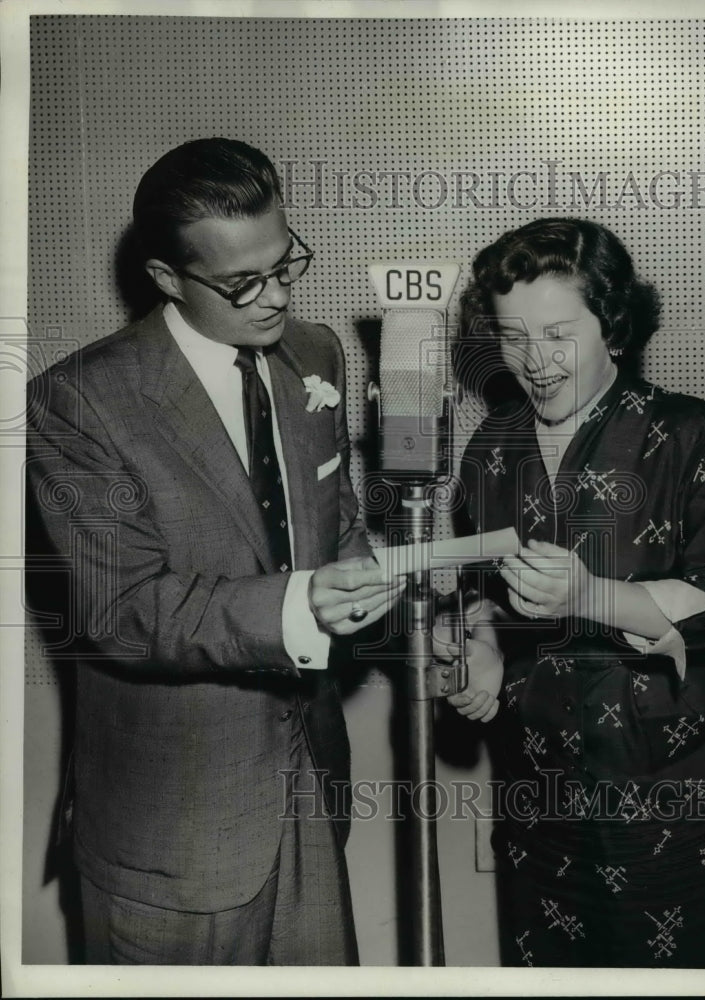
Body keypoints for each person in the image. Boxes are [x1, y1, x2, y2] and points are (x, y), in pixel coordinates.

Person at [26, 137, 404, 966]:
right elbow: (124, 611)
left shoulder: (315, 354)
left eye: (285, 264)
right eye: (242, 283)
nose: (277, 298)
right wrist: (298, 604)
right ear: (167, 278)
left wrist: (394, 606)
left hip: (312, 785)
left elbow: (335, 521)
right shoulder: (78, 402)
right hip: (173, 829)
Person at [437, 218, 705, 967]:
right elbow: (485, 593)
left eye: (558, 334)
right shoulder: (492, 448)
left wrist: (588, 595)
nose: (535, 362)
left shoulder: (689, 432)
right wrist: (483, 646)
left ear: (612, 325)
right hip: (540, 796)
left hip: (677, 802)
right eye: (512, 337)